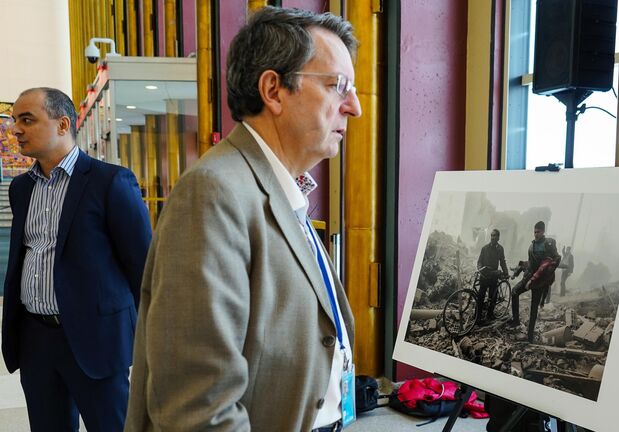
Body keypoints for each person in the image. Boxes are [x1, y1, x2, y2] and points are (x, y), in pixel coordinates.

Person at [126, 7, 362, 432]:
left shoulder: (279, 186)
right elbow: (200, 407)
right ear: (274, 90)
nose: (355, 107)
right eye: (337, 86)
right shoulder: (213, 193)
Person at [1, 87, 152, 431]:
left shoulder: (110, 181)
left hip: (96, 340)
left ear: (62, 124)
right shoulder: (21, 188)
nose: (16, 130)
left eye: (27, 120)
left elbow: (143, 267)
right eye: (14, 121)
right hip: (35, 339)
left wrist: (152, 345)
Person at [510, 221, 560, 342]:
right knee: (514, 292)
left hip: (540, 281)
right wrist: (519, 268)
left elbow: (556, 258)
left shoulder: (549, 243)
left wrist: (551, 268)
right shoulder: (532, 245)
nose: (535, 234)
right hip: (529, 277)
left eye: (538, 232)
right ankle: (516, 321)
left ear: (543, 231)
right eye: (534, 232)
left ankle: (530, 336)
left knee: (533, 308)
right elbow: (530, 263)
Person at [476, 229, 509, 325]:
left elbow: (502, 261)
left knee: (493, 296)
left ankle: (490, 314)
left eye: (495, 236)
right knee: (480, 297)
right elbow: (479, 261)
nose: (493, 237)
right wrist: (480, 269)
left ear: (498, 237)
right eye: (491, 235)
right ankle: (477, 317)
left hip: (494, 276)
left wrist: (506, 273)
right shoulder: (485, 248)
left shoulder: (500, 249)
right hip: (485, 275)